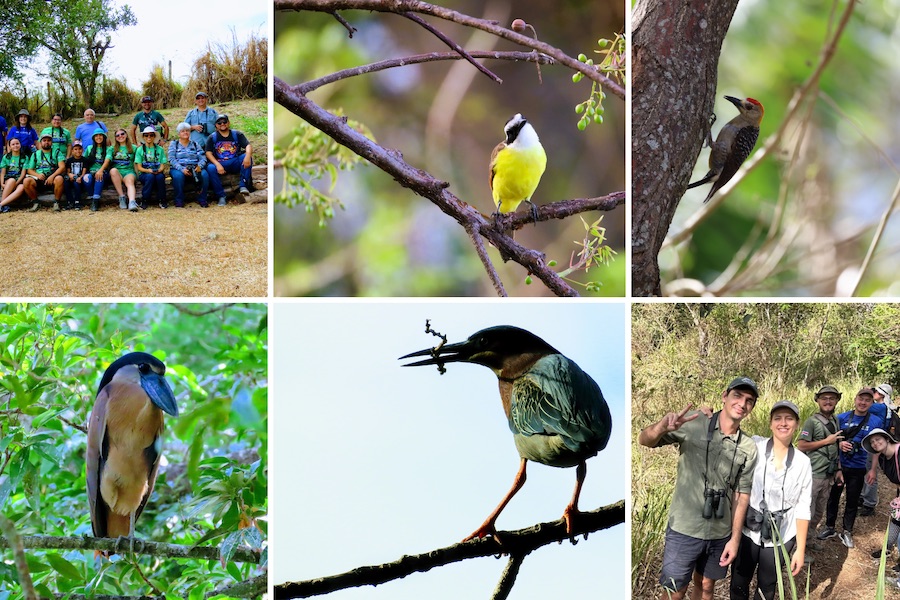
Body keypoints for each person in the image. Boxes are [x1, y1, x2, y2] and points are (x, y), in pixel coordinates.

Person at [638, 377, 760, 600]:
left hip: (719, 531)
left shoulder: (748, 447)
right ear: (724, 396)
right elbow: (645, 440)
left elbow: (742, 495)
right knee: (674, 591)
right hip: (685, 528)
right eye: (737, 396)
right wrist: (662, 426)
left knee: (705, 587)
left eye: (749, 400)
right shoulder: (694, 422)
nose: (742, 404)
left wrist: (734, 539)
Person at [730, 401, 812, 600]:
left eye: (789, 418)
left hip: (782, 534)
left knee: (767, 585)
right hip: (749, 529)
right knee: (739, 580)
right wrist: (709, 414)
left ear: (797, 423)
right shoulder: (755, 446)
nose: (783, 423)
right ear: (770, 423)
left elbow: (803, 508)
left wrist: (800, 550)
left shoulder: (803, 462)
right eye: (778, 418)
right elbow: (730, 429)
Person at [818, 387, 887, 548]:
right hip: (839, 466)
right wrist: (840, 443)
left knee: (852, 500)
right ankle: (829, 527)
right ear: (855, 399)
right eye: (861, 399)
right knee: (833, 498)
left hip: (859, 467)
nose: (863, 402)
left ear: (872, 402)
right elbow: (832, 440)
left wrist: (872, 470)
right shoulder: (841, 418)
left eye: (867, 400)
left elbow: (877, 447)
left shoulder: (875, 421)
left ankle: (847, 531)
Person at [797, 386, 843, 549]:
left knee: (818, 513)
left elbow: (836, 446)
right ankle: (798, 547)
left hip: (827, 475)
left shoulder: (835, 420)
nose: (828, 401)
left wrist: (838, 469)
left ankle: (808, 541)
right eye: (824, 398)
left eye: (832, 398)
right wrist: (825, 441)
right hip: (813, 475)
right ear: (818, 400)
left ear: (837, 400)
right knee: (806, 512)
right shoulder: (811, 422)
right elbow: (801, 445)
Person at [863, 428, 900, 572]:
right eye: (872, 442)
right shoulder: (884, 458)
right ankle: (887, 549)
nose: (875, 443)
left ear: (887, 439)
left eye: (878, 439)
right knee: (895, 522)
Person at [861, 383, 896, 516]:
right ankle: (865, 498)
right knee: (869, 470)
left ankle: (869, 503)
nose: (873, 393)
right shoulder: (888, 407)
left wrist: (866, 392)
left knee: (871, 471)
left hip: (875, 441)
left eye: (875, 391)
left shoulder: (879, 407)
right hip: (881, 441)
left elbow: (863, 405)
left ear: (881, 394)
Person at [205, 114, 252, 206]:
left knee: (246, 157)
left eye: (224, 122)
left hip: (234, 161)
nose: (222, 124)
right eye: (219, 122)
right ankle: (221, 196)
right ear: (216, 125)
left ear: (228, 123)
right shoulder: (212, 137)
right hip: (220, 163)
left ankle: (243, 186)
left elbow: (248, 145)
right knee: (210, 168)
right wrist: (217, 164)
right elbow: (208, 153)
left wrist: (247, 156)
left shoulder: (237, 134)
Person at [168, 122, 209, 208]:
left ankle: (202, 198)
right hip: (178, 168)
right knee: (178, 176)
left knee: (204, 175)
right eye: (182, 131)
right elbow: (171, 159)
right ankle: (179, 200)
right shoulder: (174, 144)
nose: (185, 133)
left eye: (187, 131)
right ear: (179, 134)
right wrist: (181, 169)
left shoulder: (195, 144)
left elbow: (203, 158)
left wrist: (199, 166)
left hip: (194, 167)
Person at [23, 131, 65, 212]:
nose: (46, 142)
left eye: (48, 140)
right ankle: (35, 203)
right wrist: (37, 175)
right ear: (40, 142)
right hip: (40, 178)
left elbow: (62, 167)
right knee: (26, 181)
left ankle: (56, 203)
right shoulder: (35, 154)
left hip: (53, 178)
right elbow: (29, 170)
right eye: (44, 140)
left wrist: (52, 176)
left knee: (59, 178)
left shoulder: (57, 152)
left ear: (51, 142)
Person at [134, 126, 168, 209]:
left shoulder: (160, 149)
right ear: (143, 137)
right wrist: (148, 170)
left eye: (151, 135)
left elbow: (163, 164)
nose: (149, 137)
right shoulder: (140, 150)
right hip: (145, 173)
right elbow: (139, 167)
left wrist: (160, 169)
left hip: (157, 172)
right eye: (146, 135)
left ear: (154, 137)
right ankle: (145, 200)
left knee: (160, 177)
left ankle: (162, 200)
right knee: (150, 177)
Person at [83, 128, 112, 212]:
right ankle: (92, 197)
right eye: (96, 136)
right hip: (91, 172)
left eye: (100, 135)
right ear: (93, 138)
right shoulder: (89, 148)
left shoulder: (109, 148)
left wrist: (100, 170)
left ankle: (95, 202)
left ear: (104, 137)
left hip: (103, 172)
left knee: (99, 176)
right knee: (86, 178)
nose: (98, 137)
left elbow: (107, 160)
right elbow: (85, 161)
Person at [108, 128, 138, 211]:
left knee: (130, 182)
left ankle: (132, 202)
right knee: (113, 170)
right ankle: (122, 197)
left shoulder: (134, 148)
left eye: (122, 134)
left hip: (129, 171)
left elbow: (137, 162)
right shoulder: (112, 149)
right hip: (118, 173)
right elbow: (107, 160)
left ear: (126, 134)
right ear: (115, 138)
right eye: (117, 135)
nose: (120, 136)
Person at [63, 140, 93, 210]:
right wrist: (70, 175)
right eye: (75, 149)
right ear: (72, 151)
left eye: (80, 149)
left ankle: (77, 202)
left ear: (82, 150)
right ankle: (69, 201)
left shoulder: (84, 160)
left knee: (76, 184)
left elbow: (84, 171)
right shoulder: (70, 160)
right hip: (72, 178)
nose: (78, 151)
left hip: (80, 179)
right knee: (66, 183)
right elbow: (68, 171)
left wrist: (80, 177)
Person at [0, 138, 28, 212]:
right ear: (10, 146)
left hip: (19, 179)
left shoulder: (25, 157)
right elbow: (3, 172)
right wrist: (2, 183)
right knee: (11, 180)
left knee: (22, 187)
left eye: (17, 143)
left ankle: (1, 204)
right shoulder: (6, 157)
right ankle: (4, 205)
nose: (15, 146)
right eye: (13, 144)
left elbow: (23, 174)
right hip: (9, 179)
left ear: (20, 145)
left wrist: (16, 183)